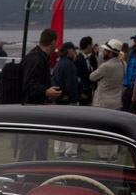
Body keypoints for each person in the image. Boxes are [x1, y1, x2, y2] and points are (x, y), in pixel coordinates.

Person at [18, 29, 63, 161]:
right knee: (30, 145)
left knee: (41, 145)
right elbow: (28, 85)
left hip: (37, 109)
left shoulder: (38, 57)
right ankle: (22, 176)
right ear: (53, 42)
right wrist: (46, 91)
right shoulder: (36, 59)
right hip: (33, 110)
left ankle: (38, 175)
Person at [91, 39, 126, 160]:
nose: (104, 52)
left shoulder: (106, 66)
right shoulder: (123, 64)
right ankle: (113, 154)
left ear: (111, 53)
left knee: (102, 131)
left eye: (106, 51)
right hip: (116, 100)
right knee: (113, 130)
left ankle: (103, 155)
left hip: (103, 101)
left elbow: (92, 77)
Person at [53, 42, 81, 157]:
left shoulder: (58, 64)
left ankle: (58, 150)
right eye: (73, 50)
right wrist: (75, 99)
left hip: (59, 99)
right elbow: (71, 84)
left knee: (60, 126)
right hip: (68, 100)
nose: (75, 52)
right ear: (69, 51)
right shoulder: (69, 64)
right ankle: (70, 152)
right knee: (71, 127)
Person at [74, 36, 94, 104]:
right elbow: (77, 77)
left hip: (88, 91)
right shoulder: (78, 60)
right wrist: (80, 92)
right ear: (88, 46)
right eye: (92, 45)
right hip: (83, 92)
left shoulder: (87, 59)